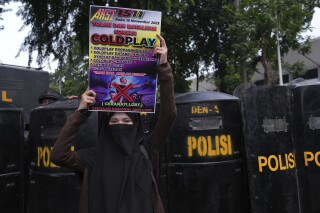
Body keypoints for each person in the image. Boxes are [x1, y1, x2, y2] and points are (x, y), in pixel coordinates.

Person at [50, 34, 176, 213]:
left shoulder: (148, 149)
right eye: (114, 121)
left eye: (126, 120)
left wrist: (163, 67)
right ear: (105, 126)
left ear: (136, 125)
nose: (120, 124)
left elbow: (169, 114)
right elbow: (57, 155)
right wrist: (81, 112)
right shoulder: (93, 157)